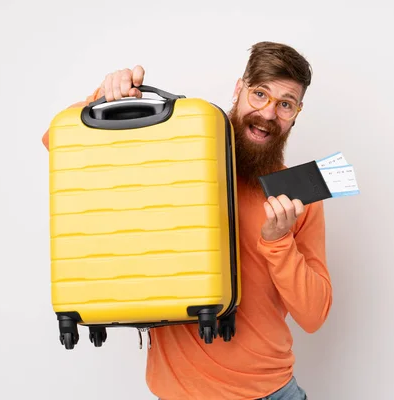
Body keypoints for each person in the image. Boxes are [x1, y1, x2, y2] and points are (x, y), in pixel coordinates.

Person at [41, 41, 332, 400]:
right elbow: (57, 141)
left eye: (285, 104)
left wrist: (278, 242)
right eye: (260, 94)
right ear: (239, 89)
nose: (269, 113)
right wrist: (100, 98)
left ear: (296, 113)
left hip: (272, 391)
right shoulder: (170, 156)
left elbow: (314, 315)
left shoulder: (294, 198)